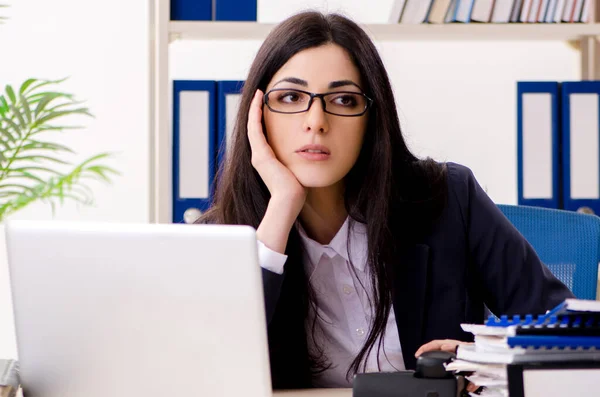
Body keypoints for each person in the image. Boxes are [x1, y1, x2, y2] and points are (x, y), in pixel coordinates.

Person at [197, 10, 574, 390]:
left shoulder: (449, 198)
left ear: (371, 119)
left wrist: (483, 362)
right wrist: (281, 207)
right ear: (256, 115)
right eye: (291, 97)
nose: (316, 121)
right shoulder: (216, 239)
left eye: (343, 100)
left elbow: (564, 335)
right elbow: (206, 373)